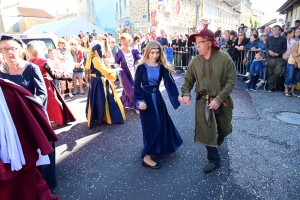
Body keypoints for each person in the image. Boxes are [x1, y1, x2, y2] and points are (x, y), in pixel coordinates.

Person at [0, 35, 59, 199]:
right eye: (4, 49)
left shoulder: (31, 68)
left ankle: (48, 182)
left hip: (32, 117)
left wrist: (30, 108)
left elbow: (42, 94)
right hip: (11, 123)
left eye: (12, 48)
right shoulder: (1, 72)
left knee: (44, 146)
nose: (9, 52)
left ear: (19, 49)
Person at [181, 25, 237, 173]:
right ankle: (214, 160)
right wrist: (186, 93)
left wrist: (218, 99)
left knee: (224, 128)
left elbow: (232, 80)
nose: (197, 45)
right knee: (207, 131)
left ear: (210, 43)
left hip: (222, 101)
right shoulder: (195, 61)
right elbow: (187, 81)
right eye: (196, 43)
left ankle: (221, 134)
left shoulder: (225, 58)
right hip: (203, 102)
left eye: (200, 42)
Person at [134, 41, 183, 169]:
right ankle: (146, 157)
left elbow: (169, 83)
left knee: (161, 124)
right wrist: (139, 100)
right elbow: (136, 86)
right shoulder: (141, 67)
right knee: (151, 127)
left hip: (158, 99)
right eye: (152, 52)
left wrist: (177, 96)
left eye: (157, 53)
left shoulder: (162, 67)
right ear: (147, 52)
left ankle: (157, 148)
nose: (155, 55)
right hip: (146, 100)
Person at [27, 40, 76, 126]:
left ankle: (44, 121)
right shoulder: (43, 61)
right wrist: (66, 77)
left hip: (33, 85)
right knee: (53, 102)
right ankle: (57, 119)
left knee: (40, 103)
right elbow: (53, 75)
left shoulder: (29, 61)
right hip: (44, 84)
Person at [85, 41, 125, 128]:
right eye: (99, 49)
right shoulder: (95, 59)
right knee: (101, 99)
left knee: (99, 99)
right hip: (98, 81)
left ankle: (100, 117)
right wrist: (115, 70)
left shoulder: (95, 57)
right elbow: (105, 71)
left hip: (97, 80)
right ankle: (102, 117)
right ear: (95, 50)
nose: (101, 51)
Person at [115, 33, 141, 113]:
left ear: (129, 41)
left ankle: (123, 101)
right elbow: (116, 63)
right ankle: (136, 106)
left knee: (130, 89)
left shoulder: (134, 51)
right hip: (124, 73)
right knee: (131, 89)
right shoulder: (119, 52)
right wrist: (118, 69)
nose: (123, 42)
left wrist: (138, 67)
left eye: (125, 40)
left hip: (134, 72)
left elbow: (138, 60)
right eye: (122, 41)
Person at [264, 25, 287, 92]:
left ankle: (268, 82)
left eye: (276, 29)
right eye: (273, 30)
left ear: (279, 30)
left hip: (279, 58)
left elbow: (285, 48)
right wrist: (269, 51)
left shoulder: (283, 38)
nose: (275, 31)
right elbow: (266, 47)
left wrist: (278, 53)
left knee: (278, 72)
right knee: (270, 73)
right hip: (270, 58)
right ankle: (273, 86)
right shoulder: (269, 38)